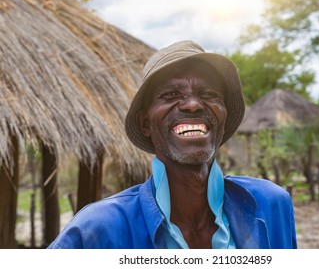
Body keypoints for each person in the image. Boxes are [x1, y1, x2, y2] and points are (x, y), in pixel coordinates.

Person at [48, 40, 297, 249]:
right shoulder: (99, 229)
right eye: (171, 95)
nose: (192, 105)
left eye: (209, 94)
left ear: (223, 116)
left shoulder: (271, 204)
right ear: (145, 123)